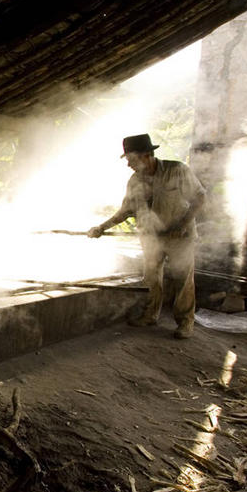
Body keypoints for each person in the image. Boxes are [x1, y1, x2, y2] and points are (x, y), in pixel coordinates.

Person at [87, 134, 206, 339]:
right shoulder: (135, 181)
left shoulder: (176, 170)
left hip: (180, 236)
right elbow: (125, 211)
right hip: (151, 238)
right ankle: (150, 315)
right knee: (151, 278)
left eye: (131, 159)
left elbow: (200, 197)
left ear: (147, 155)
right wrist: (101, 227)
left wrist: (182, 224)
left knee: (183, 279)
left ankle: (185, 322)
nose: (129, 165)